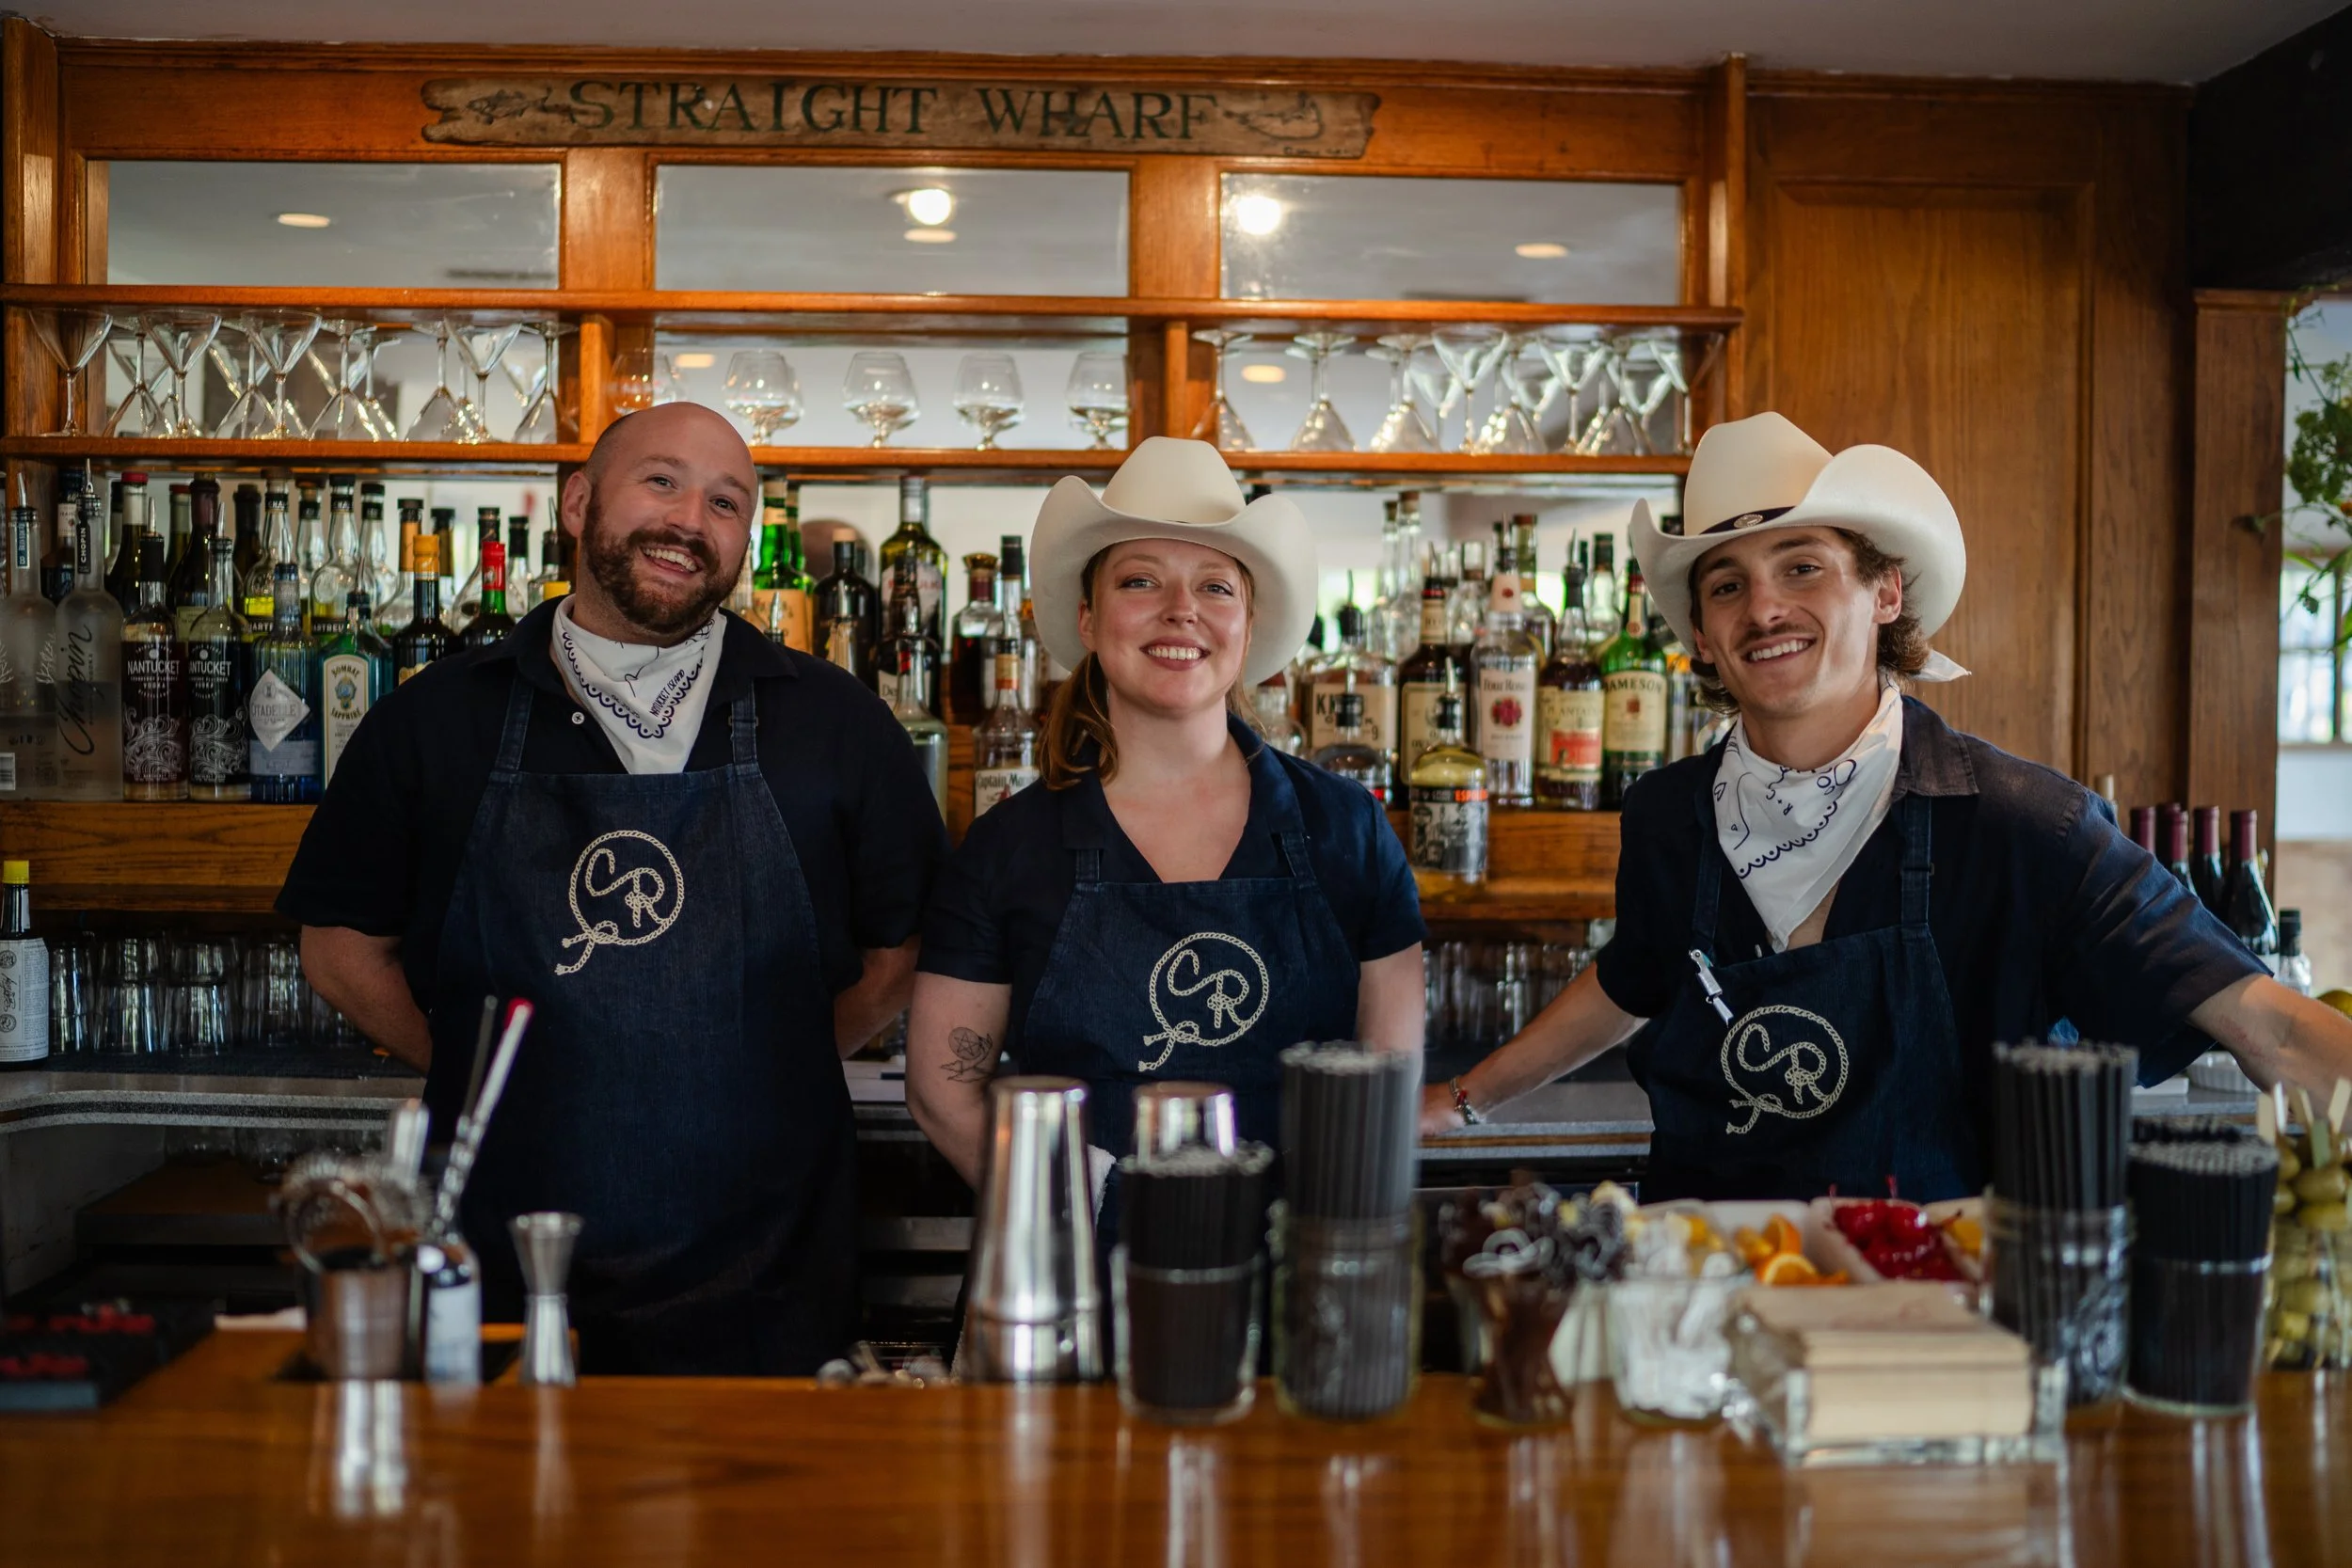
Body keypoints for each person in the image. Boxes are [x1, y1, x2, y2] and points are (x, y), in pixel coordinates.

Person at [1420, 412, 2352, 1200]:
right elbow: (1633, 977)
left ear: (1885, 592)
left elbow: (2260, 1021)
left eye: (1801, 567)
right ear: (1702, 636)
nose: (1764, 608)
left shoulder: (2023, 823)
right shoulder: (1669, 812)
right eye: (1727, 583)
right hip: (1702, 1303)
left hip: (1939, 1327)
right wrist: (1462, 1097)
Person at [282, 403, 947, 1373]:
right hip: (502, 1271)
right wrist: (496, 1075)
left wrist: (767, 1066)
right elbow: (338, 949)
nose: (690, 519)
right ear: (579, 500)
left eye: (726, 502)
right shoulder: (436, 718)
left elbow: (907, 952)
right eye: (662, 481)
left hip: (768, 1272)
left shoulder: (834, 720)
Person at [907, 437, 1426, 1212]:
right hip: (1078, 1288)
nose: (1181, 609)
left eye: (1215, 586)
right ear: (1088, 617)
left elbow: (1387, 1082)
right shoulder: (1008, 847)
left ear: (1248, 628)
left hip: (1295, 1278)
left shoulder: (1346, 829)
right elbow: (942, 1090)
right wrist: (1083, 1218)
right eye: (1141, 580)